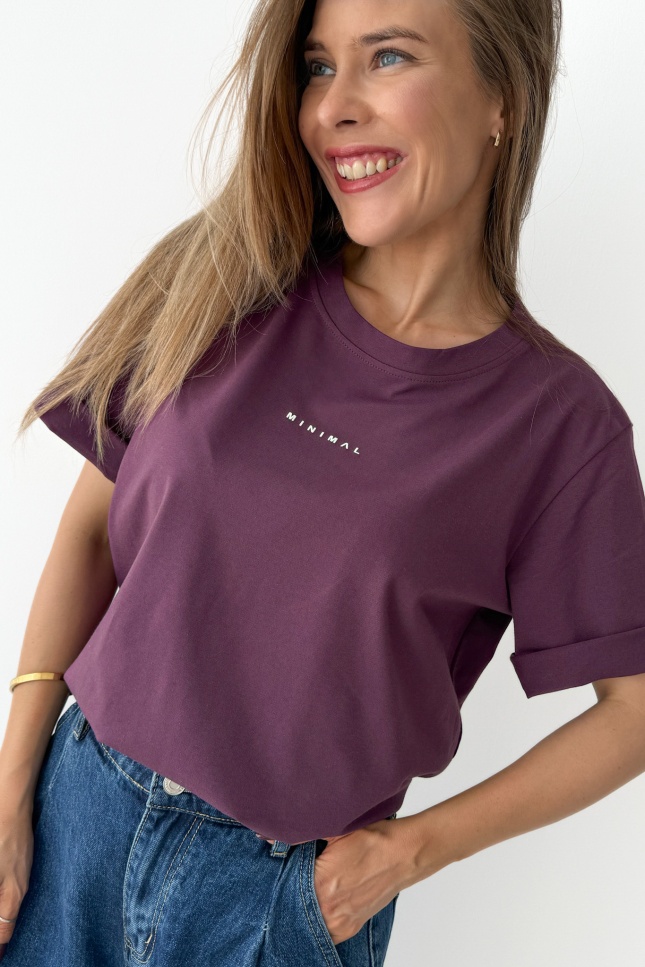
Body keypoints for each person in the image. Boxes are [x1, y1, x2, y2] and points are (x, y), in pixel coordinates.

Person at [2, 0, 645, 963]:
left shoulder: (558, 426)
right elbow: (91, 531)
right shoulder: (219, 279)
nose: (333, 107)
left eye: (386, 58)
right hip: (71, 831)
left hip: (279, 903)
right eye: (316, 66)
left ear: (501, 99)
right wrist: (11, 791)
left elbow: (633, 712)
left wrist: (414, 849)